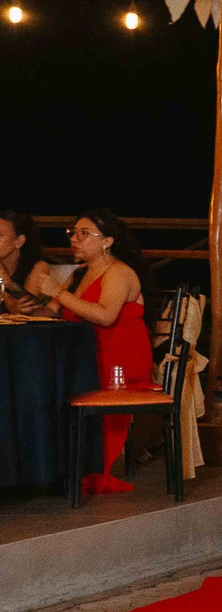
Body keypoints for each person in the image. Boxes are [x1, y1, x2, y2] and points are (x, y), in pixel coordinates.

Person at [46, 208, 154, 495]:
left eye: (84, 234)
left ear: (107, 241)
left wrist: (57, 292)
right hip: (86, 356)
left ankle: (88, 468)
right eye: (73, 233)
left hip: (118, 359)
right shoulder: (80, 274)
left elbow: (105, 316)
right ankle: (50, 465)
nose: (76, 239)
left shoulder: (119, 272)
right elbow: (51, 312)